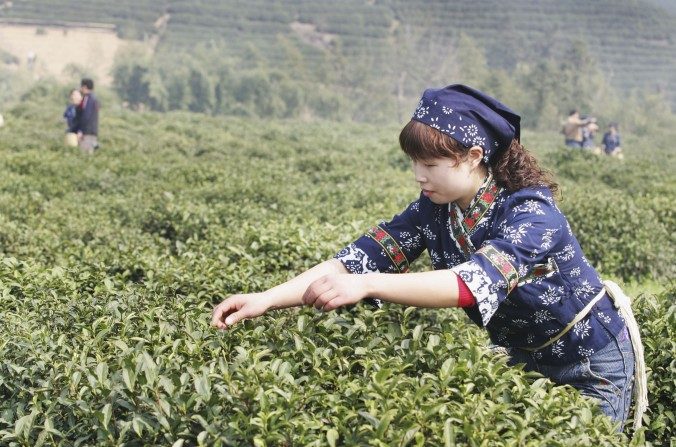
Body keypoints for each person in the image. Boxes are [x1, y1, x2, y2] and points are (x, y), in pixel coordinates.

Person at [211, 85, 646, 432]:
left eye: (432, 163)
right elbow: (357, 260)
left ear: (474, 157)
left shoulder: (531, 212)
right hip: (522, 357)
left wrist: (368, 285)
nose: (420, 175)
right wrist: (265, 299)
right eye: (414, 163)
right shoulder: (433, 209)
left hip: (590, 361)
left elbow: (469, 284)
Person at [77, 78, 100, 154]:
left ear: (85, 87)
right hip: (92, 132)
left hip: (87, 133)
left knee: (85, 155)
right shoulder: (94, 98)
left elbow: (86, 116)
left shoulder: (88, 99)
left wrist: (81, 131)